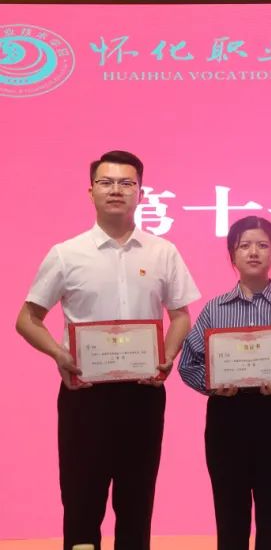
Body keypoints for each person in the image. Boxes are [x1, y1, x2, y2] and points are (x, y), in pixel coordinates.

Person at [15, 150, 200, 550]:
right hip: (85, 395)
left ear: (141, 193)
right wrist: (59, 355)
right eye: (106, 182)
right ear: (91, 192)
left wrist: (168, 356)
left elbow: (181, 316)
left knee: (137, 504)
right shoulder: (66, 253)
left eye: (126, 183)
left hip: (143, 395)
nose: (116, 190)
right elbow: (27, 319)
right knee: (81, 501)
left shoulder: (162, 252)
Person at [177, 216, 271, 550]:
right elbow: (188, 364)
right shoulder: (214, 309)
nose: (253, 252)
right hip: (228, 417)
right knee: (230, 518)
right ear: (232, 255)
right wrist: (214, 384)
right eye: (244, 246)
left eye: (262, 245)